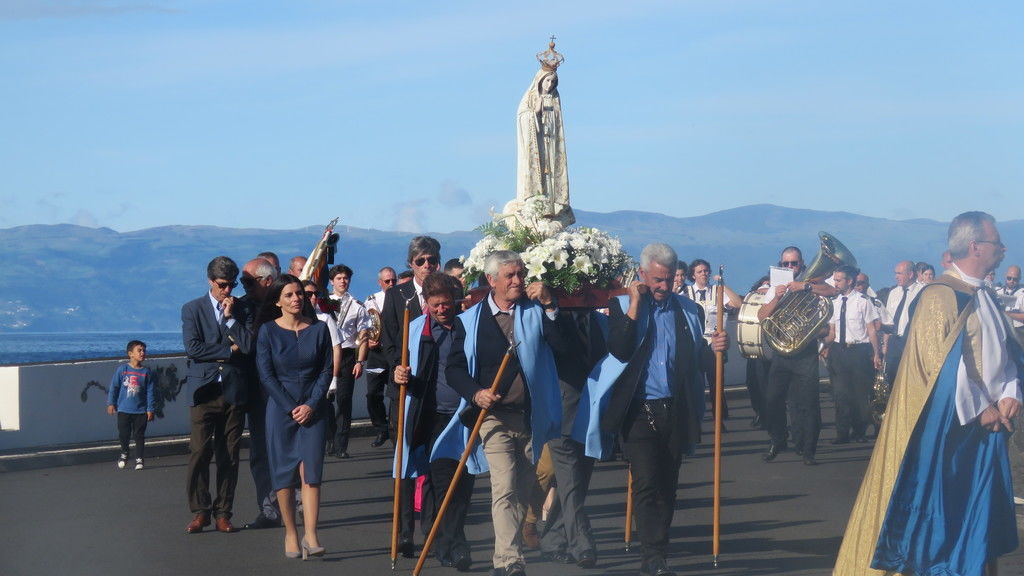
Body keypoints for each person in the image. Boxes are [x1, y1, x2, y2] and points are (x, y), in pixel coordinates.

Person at [833, 211, 1022, 575]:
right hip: (954, 433)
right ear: (975, 246)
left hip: (993, 427)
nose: (1003, 249)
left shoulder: (985, 296)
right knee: (946, 522)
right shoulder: (940, 296)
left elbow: (1006, 351)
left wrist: (1012, 391)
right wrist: (982, 409)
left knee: (979, 525)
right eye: (998, 243)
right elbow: (940, 365)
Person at [597, 243, 727, 576]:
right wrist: (636, 304)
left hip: (675, 407)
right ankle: (652, 554)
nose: (663, 287)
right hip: (638, 410)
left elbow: (696, 361)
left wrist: (716, 351)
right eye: (657, 280)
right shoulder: (622, 305)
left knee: (668, 484)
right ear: (642, 276)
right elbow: (620, 350)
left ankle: (660, 547)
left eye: (668, 280)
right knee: (646, 482)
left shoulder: (689, 311)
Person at [446, 250, 566, 576]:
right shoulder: (468, 321)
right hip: (493, 418)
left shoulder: (535, 313)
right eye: (510, 275)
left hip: (530, 416)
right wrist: (476, 392)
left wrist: (551, 306)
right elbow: (454, 369)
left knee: (524, 490)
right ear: (491, 280)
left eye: (520, 274)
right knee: (505, 486)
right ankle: (509, 560)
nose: (517, 281)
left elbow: (561, 345)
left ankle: (507, 560)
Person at [392, 272, 479, 571]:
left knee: (463, 484)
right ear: (426, 303)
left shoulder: (468, 329)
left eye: (446, 304)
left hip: (464, 415)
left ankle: (443, 543)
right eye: (435, 304)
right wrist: (398, 375)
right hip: (431, 417)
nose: (442, 310)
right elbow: (403, 369)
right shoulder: (415, 330)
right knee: (444, 484)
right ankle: (456, 547)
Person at [255, 274, 333, 560]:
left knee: (311, 474)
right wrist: (291, 407)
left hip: (314, 410)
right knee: (284, 476)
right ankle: (290, 531)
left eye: (299, 293)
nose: (296, 298)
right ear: (277, 301)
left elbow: (327, 371)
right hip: (280, 410)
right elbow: (266, 375)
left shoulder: (320, 330)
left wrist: (311, 404)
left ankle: (311, 535)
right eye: (288, 294)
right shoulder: (267, 332)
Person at [381, 236, 442, 557]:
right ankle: (404, 533)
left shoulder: (447, 294)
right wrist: (395, 368)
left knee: (432, 463)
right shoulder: (396, 296)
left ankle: (430, 529)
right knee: (404, 465)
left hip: (435, 393)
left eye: (432, 260)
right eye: (421, 261)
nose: (427, 266)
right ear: (411, 264)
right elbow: (389, 340)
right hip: (404, 390)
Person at [181, 256, 252, 534]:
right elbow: (193, 349)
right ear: (211, 281)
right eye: (223, 285)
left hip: (233, 389)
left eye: (232, 285)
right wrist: (227, 351)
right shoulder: (192, 309)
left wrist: (232, 318)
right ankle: (200, 511)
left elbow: (247, 345)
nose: (228, 290)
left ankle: (224, 512)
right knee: (199, 452)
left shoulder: (241, 309)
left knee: (229, 455)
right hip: (203, 391)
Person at [757, 246, 837, 465]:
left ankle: (809, 450)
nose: (790, 267)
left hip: (805, 354)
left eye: (793, 263)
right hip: (782, 354)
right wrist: (776, 299)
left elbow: (833, 292)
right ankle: (778, 440)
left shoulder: (812, 283)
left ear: (801, 264)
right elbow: (762, 316)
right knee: (772, 400)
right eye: (785, 264)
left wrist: (806, 286)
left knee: (808, 403)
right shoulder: (776, 287)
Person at [504, 41, 574, 233]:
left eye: (553, 82)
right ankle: (534, 203)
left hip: (551, 145)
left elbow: (558, 126)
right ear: (540, 81)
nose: (550, 85)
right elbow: (521, 117)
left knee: (551, 174)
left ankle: (552, 205)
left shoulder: (555, 100)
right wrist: (534, 113)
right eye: (547, 81)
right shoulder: (530, 98)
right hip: (536, 145)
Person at [238, 257, 283, 530]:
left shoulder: (288, 302)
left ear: (267, 281)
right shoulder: (242, 308)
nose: (243, 287)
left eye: (248, 282)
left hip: (285, 390)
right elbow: (247, 346)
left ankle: (296, 505)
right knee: (259, 454)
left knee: (290, 450)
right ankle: (269, 509)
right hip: (256, 391)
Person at [821, 265, 881, 445]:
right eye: (835, 280)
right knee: (840, 394)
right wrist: (823, 346)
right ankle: (842, 433)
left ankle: (859, 431)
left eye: (839, 280)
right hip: (839, 352)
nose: (836, 283)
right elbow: (832, 332)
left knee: (860, 394)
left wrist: (876, 353)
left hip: (859, 351)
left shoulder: (863, 301)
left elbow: (871, 329)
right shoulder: (834, 302)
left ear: (849, 281)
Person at [683, 258, 742, 422]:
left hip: (714, 344)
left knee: (717, 385)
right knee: (696, 384)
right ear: (693, 275)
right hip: (696, 345)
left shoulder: (718, 291)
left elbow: (738, 303)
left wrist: (723, 285)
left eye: (706, 271)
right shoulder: (686, 293)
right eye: (700, 271)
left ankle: (719, 420)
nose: (704, 274)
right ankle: (697, 420)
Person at [325, 264, 371, 459]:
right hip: (326, 355)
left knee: (344, 400)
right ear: (331, 281)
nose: (343, 281)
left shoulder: (357, 306)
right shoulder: (321, 302)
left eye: (345, 278)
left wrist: (360, 361)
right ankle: (328, 439)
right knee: (325, 400)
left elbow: (363, 335)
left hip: (347, 355)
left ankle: (341, 444)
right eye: (339, 278)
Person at [106, 340, 155, 471]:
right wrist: (111, 403)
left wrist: (150, 409)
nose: (142, 353)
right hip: (123, 409)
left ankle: (139, 458)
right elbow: (114, 387)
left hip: (140, 411)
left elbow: (150, 392)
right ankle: (124, 453)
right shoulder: (122, 370)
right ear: (130, 354)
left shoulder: (146, 372)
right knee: (124, 434)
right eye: (139, 350)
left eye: (144, 350)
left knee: (139, 435)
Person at [364, 266, 397, 447]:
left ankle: (393, 430)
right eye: (387, 281)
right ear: (380, 282)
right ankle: (381, 428)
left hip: (393, 353)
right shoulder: (372, 300)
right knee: (372, 394)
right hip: (377, 354)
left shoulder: (401, 297)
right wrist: (369, 341)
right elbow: (366, 325)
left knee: (394, 394)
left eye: (393, 280)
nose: (391, 284)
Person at [881, 260, 923, 386]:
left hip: (912, 341)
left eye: (899, 273)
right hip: (894, 341)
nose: (896, 277)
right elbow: (889, 319)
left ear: (910, 274)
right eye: (895, 273)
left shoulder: (922, 291)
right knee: (892, 378)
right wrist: (885, 345)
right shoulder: (894, 293)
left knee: (911, 379)